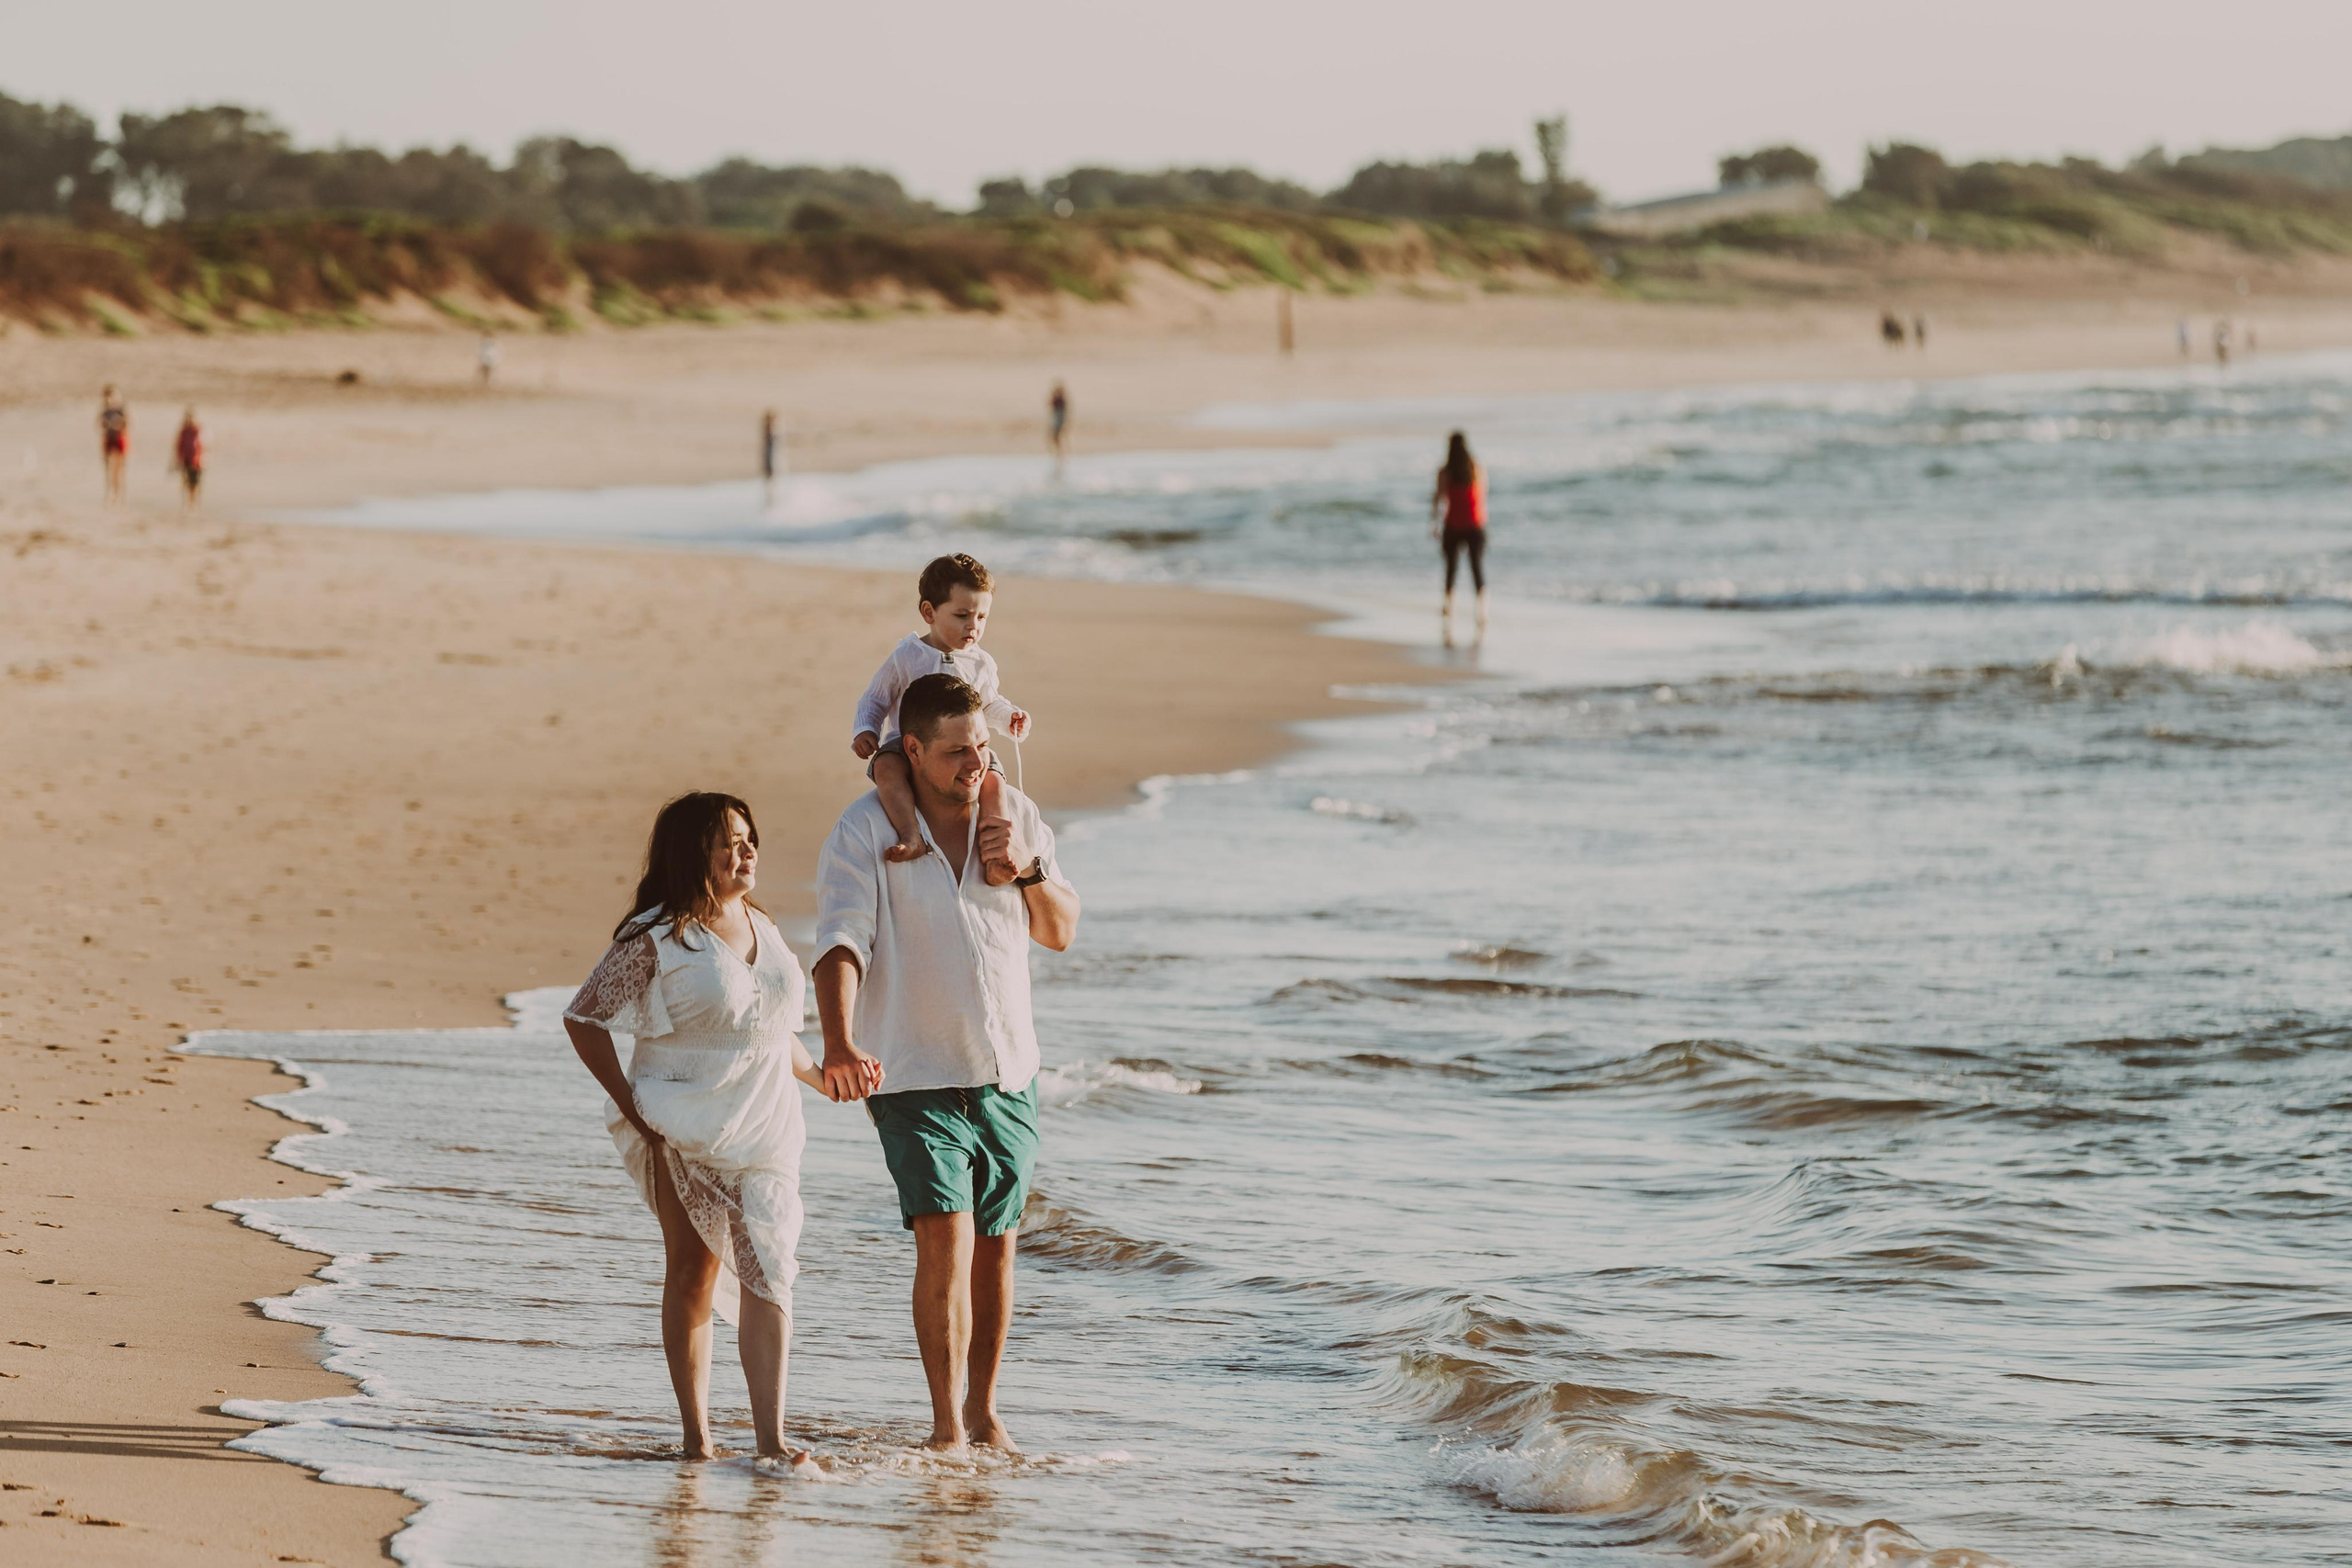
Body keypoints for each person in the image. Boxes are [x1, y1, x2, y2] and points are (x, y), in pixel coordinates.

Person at [811, 672, 1081, 1451]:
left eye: (984, 748)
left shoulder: (1016, 814)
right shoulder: (866, 830)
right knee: (945, 1239)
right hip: (911, 1069)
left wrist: (1026, 867)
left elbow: (1060, 930)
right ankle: (943, 1426)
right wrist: (837, 1039)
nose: (975, 763)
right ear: (914, 749)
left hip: (1008, 1066)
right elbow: (840, 941)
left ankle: (983, 1409)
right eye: (958, 751)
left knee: (998, 1246)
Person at [562, 793, 867, 1461]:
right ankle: (697, 1437)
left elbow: (771, 1028)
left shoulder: (762, 922)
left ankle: (770, 1438)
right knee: (694, 1272)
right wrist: (633, 1108)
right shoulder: (658, 934)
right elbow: (584, 1017)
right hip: (683, 1124)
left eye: (749, 836)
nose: (746, 850)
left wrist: (823, 1075)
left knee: (771, 1270)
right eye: (727, 840)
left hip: (767, 1130)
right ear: (691, 852)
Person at [851, 554, 1031, 880]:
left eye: (981, 617)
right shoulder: (908, 656)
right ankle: (911, 835)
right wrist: (866, 729)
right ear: (929, 612)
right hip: (907, 743)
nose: (973, 626)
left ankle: (996, 854)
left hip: (967, 747)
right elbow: (875, 698)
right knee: (885, 767)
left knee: (993, 782)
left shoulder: (981, 664)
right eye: (962, 615)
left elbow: (989, 704)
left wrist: (1010, 718)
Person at [1430, 431, 1488, 634]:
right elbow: (1482, 496)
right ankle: (1481, 611)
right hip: (1475, 525)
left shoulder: (1445, 472)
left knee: (1451, 568)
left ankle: (1448, 607)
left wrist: (1434, 524)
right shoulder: (1476, 469)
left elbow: (1438, 499)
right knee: (1477, 568)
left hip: (1453, 525)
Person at [98, 385, 128, 502]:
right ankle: (110, 493)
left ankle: (119, 494)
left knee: (119, 469)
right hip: (109, 439)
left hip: (119, 439)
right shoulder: (105, 410)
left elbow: (127, 424)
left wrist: (117, 424)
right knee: (108, 469)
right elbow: (99, 424)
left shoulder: (121, 409)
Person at [173, 408, 203, 509]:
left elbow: (204, 446)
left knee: (195, 484)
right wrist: (177, 459)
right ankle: (185, 503)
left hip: (197, 461)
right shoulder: (184, 431)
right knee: (185, 482)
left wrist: (203, 459)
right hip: (185, 459)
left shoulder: (199, 430)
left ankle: (193, 504)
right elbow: (178, 445)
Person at [760, 409, 781, 501]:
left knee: (770, 474)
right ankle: (770, 493)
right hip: (770, 451)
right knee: (770, 470)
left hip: (770, 451)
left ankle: (770, 493)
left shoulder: (767, 428)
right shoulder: (768, 428)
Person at [1047, 381, 1069, 464]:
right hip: (1056, 418)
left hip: (1059, 418)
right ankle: (1059, 452)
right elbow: (1050, 405)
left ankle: (1061, 453)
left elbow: (1064, 411)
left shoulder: (1061, 399)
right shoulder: (1057, 398)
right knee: (1055, 436)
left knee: (1058, 436)